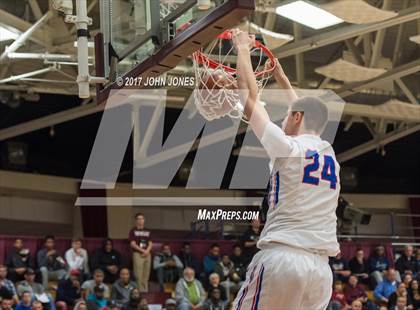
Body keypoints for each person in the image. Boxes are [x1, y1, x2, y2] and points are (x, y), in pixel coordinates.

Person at [229, 28, 341, 309]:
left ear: (297, 117)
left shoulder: (287, 148)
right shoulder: (330, 154)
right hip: (320, 272)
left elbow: (248, 98)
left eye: (288, 117)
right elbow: (306, 113)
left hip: (284, 258)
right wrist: (283, 79)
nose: (281, 122)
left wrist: (242, 48)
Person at [129, 213, 152, 292]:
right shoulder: (133, 231)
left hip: (147, 254)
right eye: (138, 219)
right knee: (138, 275)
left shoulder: (148, 231)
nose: (140, 220)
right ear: (136, 221)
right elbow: (133, 244)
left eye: (142, 218)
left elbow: (150, 243)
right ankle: (139, 292)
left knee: (146, 276)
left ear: (144, 220)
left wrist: (147, 251)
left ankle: (145, 292)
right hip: (138, 254)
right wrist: (143, 251)